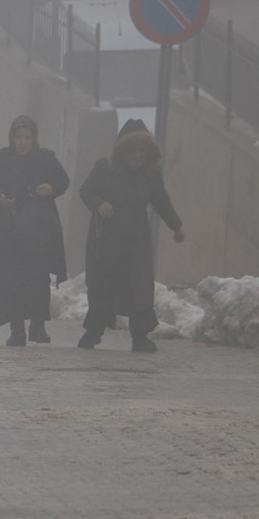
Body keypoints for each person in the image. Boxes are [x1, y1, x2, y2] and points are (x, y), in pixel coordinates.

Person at [77, 119, 185, 352]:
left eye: (141, 150)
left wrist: (176, 226)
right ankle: (93, 332)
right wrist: (100, 204)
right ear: (122, 151)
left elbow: (160, 201)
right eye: (132, 150)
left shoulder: (151, 173)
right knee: (102, 286)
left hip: (137, 237)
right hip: (106, 237)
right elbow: (86, 190)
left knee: (140, 287)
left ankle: (140, 336)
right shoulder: (104, 167)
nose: (137, 156)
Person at [0, 115, 70, 346]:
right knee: (10, 280)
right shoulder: (0, 159)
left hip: (38, 231)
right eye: (19, 137)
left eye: (27, 137)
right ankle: (17, 330)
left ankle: (38, 325)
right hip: (7, 231)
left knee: (37, 279)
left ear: (34, 139)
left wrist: (51, 188)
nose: (23, 142)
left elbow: (63, 181)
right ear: (12, 139)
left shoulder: (45, 159)